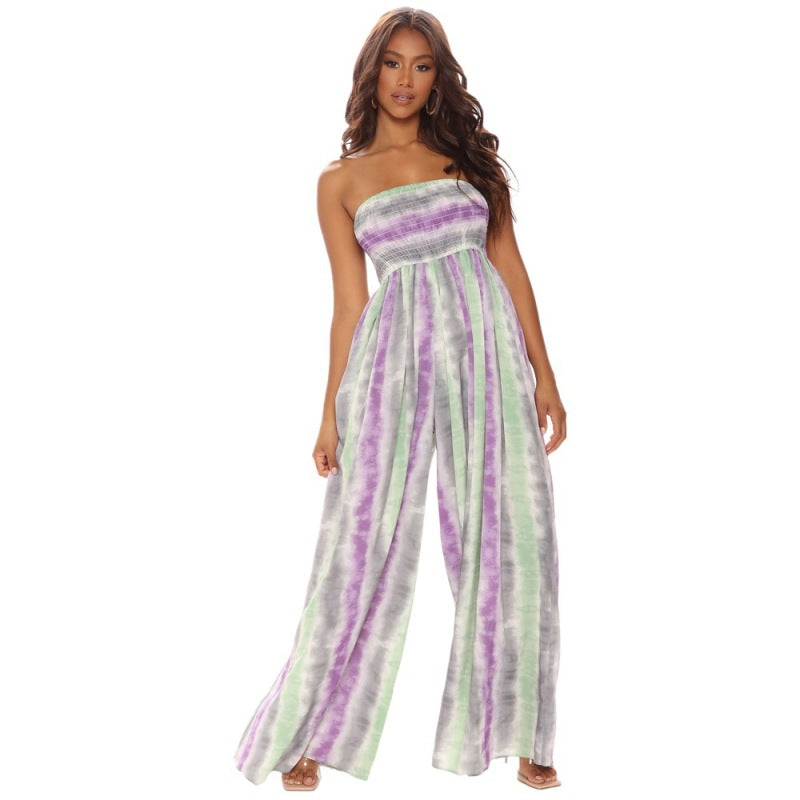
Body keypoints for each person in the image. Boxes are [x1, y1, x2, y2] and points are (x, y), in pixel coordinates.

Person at [233, 7, 567, 792]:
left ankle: (525, 733)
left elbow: (510, 266)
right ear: (371, 73)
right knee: (358, 545)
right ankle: (307, 733)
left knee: (517, 536)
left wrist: (544, 373)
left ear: (438, 77)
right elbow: (350, 304)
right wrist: (329, 412)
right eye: (393, 63)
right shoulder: (340, 182)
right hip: (392, 363)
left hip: (489, 357)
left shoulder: (469, 162)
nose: (406, 80)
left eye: (421, 65)